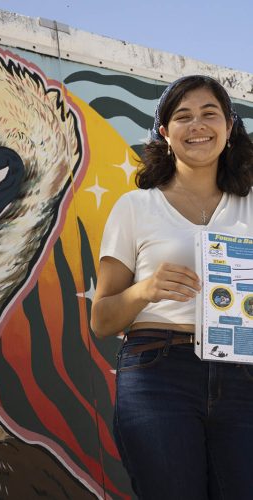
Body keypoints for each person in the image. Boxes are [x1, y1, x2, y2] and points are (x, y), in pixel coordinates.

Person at [91, 75, 253, 499]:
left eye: (209, 114)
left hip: (245, 376)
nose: (197, 125)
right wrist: (145, 290)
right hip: (158, 374)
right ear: (165, 133)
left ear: (230, 126)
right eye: (183, 117)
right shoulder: (135, 207)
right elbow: (102, 319)